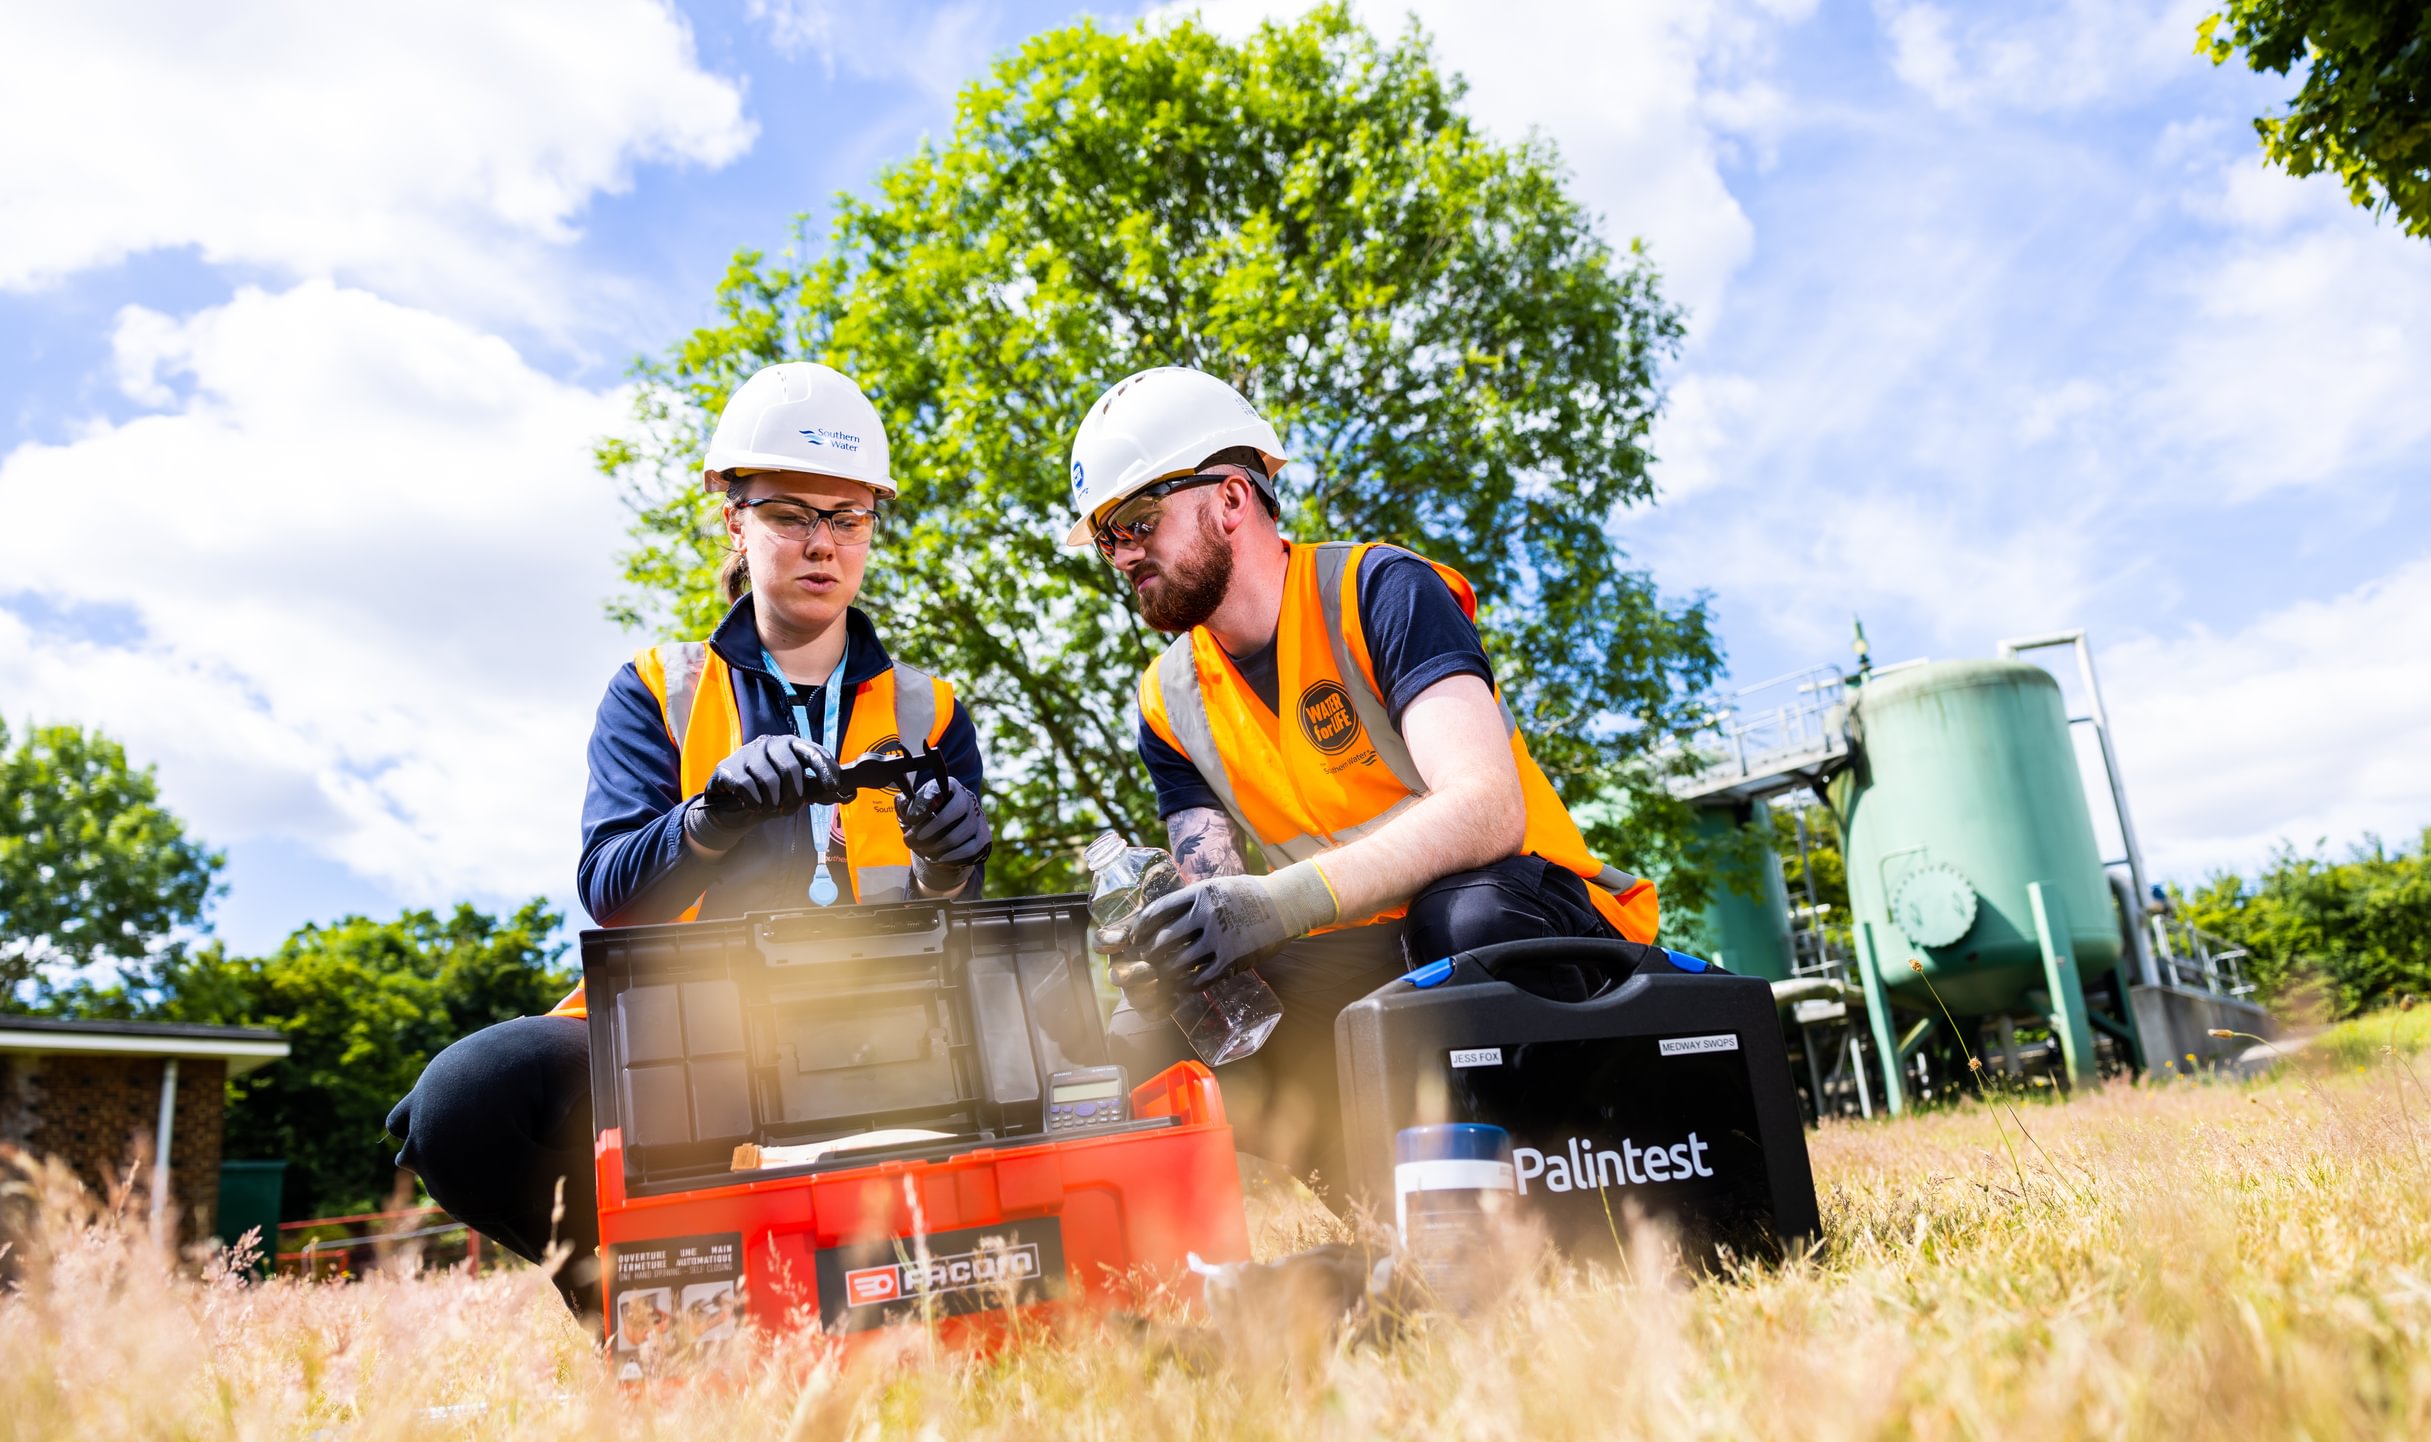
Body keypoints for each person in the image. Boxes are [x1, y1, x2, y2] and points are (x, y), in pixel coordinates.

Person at [387, 363, 992, 1310]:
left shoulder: (929, 709)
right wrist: (707, 820)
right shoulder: (655, 689)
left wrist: (951, 868)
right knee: (469, 1096)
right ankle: (637, 1309)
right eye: (790, 513)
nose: (822, 542)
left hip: (877, 1042)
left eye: (848, 516)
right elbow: (610, 888)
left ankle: (897, 1297)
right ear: (734, 521)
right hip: (677, 1043)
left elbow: (956, 928)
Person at [1067, 366, 1657, 1198]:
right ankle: (1383, 1202)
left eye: (1137, 520)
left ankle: (1576, 1187)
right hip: (1361, 948)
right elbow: (1223, 900)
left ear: (1231, 498)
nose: (1123, 553)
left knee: (1464, 914)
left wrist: (1279, 905)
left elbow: (1487, 808)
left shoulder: (1380, 589)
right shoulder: (1167, 700)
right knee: (1152, 1024)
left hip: (1535, 920)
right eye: (1106, 536)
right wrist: (1176, 944)